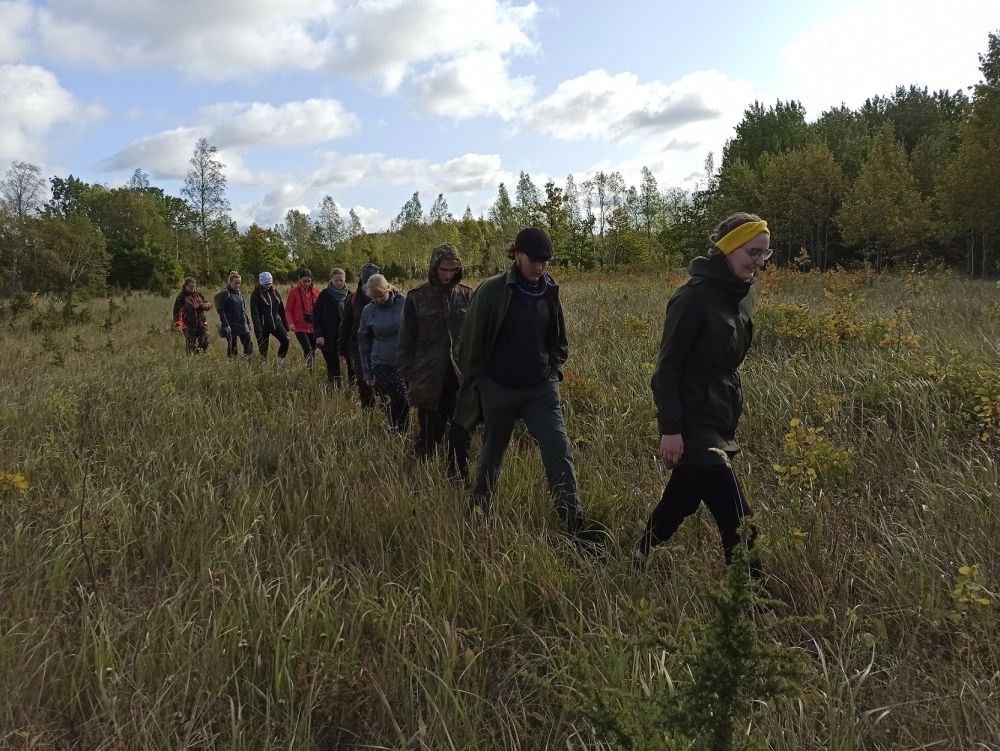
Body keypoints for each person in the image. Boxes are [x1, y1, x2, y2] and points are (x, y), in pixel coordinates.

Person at [633, 212, 771, 572]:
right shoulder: (692, 298)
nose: (759, 262)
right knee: (738, 516)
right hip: (692, 420)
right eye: (752, 252)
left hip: (719, 414)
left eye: (764, 254)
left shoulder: (739, 298)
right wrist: (671, 428)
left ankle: (638, 555)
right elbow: (667, 369)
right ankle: (752, 600)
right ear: (728, 248)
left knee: (682, 498)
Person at [454, 227, 597, 541]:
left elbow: (558, 339)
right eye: (534, 260)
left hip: (540, 391)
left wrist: (553, 372)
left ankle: (574, 525)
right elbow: (469, 345)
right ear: (517, 254)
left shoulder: (548, 288)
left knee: (559, 451)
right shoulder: (491, 290)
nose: (540, 266)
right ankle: (478, 515)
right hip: (499, 390)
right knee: (492, 455)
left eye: (545, 261)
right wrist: (481, 386)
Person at [397, 244, 473, 479]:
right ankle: (420, 477)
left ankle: (458, 476)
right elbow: (405, 341)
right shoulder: (416, 298)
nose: (448, 274)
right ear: (434, 267)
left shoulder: (467, 295)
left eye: (453, 269)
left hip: (460, 377)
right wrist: (409, 376)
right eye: (444, 269)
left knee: (461, 432)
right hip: (428, 378)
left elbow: (475, 335)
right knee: (431, 433)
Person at [357, 274, 408, 432]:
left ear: (388, 288)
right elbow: (363, 343)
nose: (377, 300)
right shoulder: (369, 310)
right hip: (381, 361)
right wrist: (368, 373)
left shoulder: (404, 303)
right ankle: (395, 428)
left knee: (404, 399)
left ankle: (400, 431)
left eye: (380, 296)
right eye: (374, 298)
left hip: (405, 360)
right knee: (400, 396)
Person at [338, 263, 381, 409]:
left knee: (381, 380)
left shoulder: (387, 297)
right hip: (357, 346)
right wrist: (341, 350)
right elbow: (345, 325)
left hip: (380, 345)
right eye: (367, 284)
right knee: (363, 379)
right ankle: (368, 410)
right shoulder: (353, 299)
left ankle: (383, 408)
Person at [313, 268, 349, 388]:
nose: (339, 283)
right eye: (336, 280)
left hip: (345, 337)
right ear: (331, 280)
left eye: (341, 280)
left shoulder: (349, 295)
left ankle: (352, 388)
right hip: (328, 337)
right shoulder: (324, 295)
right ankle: (334, 389)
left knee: (352, 365)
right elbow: (316, 316)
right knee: (333, 365)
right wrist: (319, 334)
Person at [250, 271, 290, 360]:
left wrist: (285, 325)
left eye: (270, 283)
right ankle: (263, 367)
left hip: (276, 322)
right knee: (263, 351)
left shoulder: (275, 292)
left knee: (285, 341)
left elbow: (281, 309)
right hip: (263, 326)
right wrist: (258, 329)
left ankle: (280, 361)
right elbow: (255, 313)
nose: (269, 285)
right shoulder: (256, 294)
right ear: (261, 282)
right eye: (266, 284)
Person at [285, 267, 320, 365]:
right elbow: (288, 309)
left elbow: (319, 309)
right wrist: (291, 322)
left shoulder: (316, 291)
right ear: (299, 280)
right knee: (307, 349)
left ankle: (312, 372)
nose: (307, 284)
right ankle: (310, 372)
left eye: (309, 281)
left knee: (313, 349)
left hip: (313, 326)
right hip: (299, 327)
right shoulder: (294, 292)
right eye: (304, 281)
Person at [216, 271, 253, 359]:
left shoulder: (240, 294)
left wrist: (248, 322)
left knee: (248, 344)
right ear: (230, 282)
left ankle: (248, 362)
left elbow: (243, 310)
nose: (238, 285)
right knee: (233, 347)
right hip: (231, 324)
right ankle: (233, 364)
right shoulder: (225, 294)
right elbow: (221, 310)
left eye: (239, 283)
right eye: (236, 283)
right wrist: (226, 324)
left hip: (242, 323)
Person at [172, 276, 211, 354]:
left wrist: (203, 305)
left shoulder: (198, 294)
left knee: (205, 341)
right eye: (190, 287)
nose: (193, 288)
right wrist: (178, 324)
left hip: (201, 323)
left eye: (194, 286)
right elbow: (176, 312)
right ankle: (191, 361)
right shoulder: (181, 296)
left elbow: (207, 304)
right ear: (186, 286)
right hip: (188, 324)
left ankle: (201, 357)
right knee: (191, 346)